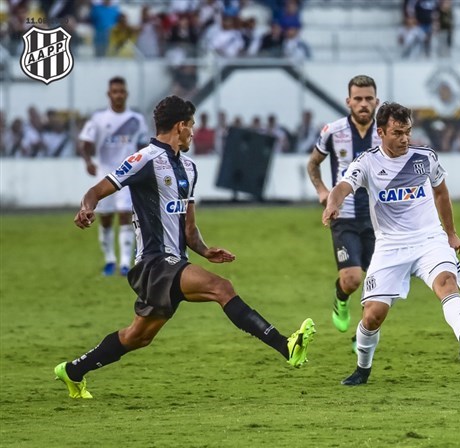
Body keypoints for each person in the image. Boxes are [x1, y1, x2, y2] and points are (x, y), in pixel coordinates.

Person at [54, 95, 316, 400]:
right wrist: (87, 208)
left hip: (174, 262)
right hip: (153, 263)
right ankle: (285, 346)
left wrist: (204, 250)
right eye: (191, 125)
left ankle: (72, 371)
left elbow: (188, 228)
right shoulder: (145, 159)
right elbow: (96, 190)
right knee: (222, 288)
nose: (193, 131)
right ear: (180, 126)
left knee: (137, 337)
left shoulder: (189, 168)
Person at [322, 102, 460, 386]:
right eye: (397, 132)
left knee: (446, 282)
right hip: (390, 247)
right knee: (372, 316)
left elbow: (441, 193)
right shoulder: (367, 162)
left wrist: (451, 233)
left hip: (429, 239)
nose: (405, 138)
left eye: (407, 131)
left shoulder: (424, 157)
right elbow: (343, 187)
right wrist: (333, 204)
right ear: (381, 132)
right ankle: (362, 369)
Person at [306, 75, 381, 350]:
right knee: (352, 280)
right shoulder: (333, 131)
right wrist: (323, 192)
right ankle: (341, 298)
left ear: (377, 102)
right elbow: (313, 165)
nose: (363, 104)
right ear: (348, 101)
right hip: (344, 216)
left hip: (379, 221)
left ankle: (361, 334)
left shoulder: (385, 133)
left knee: (378, 284)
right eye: (358, 99)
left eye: (368, 99)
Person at [78, 77, 149, 276]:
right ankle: (110, 260)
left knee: (126, 215)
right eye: (114, 91)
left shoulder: (137, 119)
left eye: (121, 91)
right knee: (106, 219)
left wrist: (143, 167)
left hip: (128, 174)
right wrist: (88, 161)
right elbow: (83, 143)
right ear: (109, 94)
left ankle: (125, 263)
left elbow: (143, 145)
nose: (118, 95)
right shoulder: (99, 119)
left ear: (126, 94)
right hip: (105, 175)